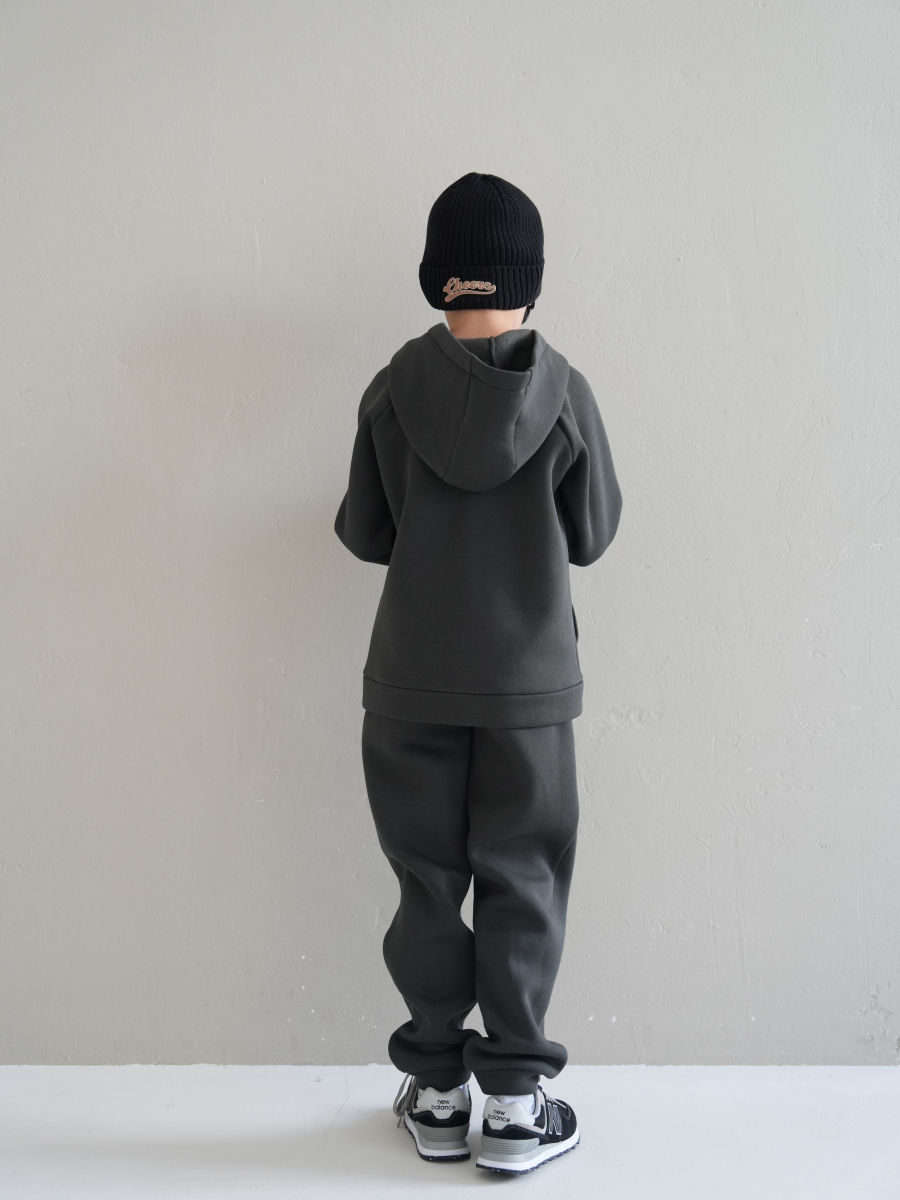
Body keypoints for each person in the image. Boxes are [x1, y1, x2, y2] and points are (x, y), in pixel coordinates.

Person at [334, 171, 622, 1175]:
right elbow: (594, 533)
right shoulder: (564, 394)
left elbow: (365, 533)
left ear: (436, 278)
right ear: (529, 282)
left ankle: (437, 1087)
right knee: (523, 877)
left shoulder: (391, 389)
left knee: (426, 881)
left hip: (411, 682)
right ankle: (513, 1104)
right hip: (528, 694)